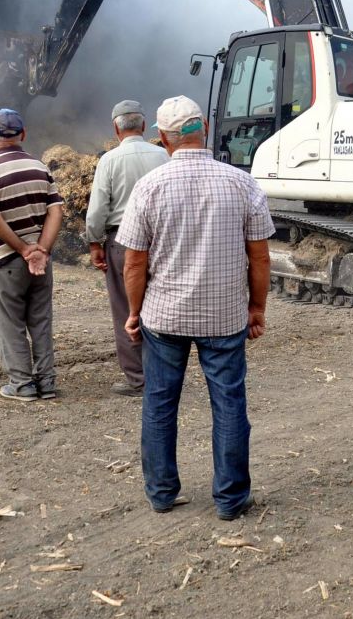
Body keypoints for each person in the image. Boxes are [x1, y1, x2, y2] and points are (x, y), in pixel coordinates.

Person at [116, 96, 274, 519]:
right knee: (228, 403)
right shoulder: (241, 183)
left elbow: (134, 261)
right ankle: (230, 499)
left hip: (164, 316)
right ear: (203, 127)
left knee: (160, 402)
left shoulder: (149, 187)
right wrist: (256, 308)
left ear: (164, 139)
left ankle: (162, 494)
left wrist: (134, 312)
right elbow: (259, 256)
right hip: (224, 317)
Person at [0, 109, 64, 402]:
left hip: (6, 260)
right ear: (23, 134)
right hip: (40, 263)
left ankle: (22, 385)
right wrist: (42, 250)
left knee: (9, 322)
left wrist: (25, 250)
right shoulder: (40, 167)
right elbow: (56, 211)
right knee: (40, 320)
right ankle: (47, 383)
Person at [85, 100, 168, 397]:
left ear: (115, 129)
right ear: (144, 126)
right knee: (161, 307)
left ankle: (138, 380)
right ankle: (165, 376)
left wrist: (94, 242)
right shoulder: (164, 155)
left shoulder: (109, 160)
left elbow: (97, 210)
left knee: (126, 309)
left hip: (121, 241)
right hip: (162, 241)